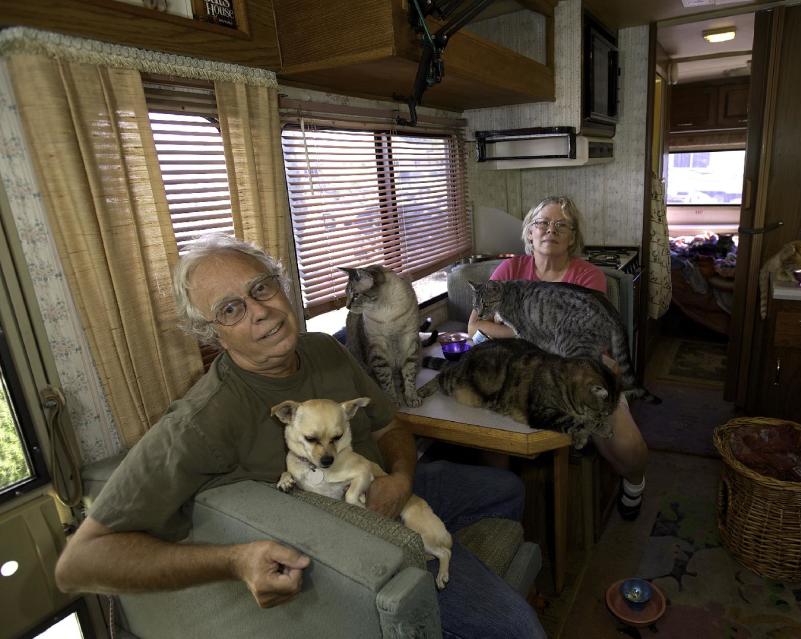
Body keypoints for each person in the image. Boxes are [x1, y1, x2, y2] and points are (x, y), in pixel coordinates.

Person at [55, 234, 545, 639]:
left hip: (388, 490)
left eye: (262, 288)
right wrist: (233, 562)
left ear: (284, 288)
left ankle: (450, 586)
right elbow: (79, 563)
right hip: (363, 543)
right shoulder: (202, 420)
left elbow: (390, 424)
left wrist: (400, 476)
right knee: (520, 629)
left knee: (507, 488)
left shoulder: (321, 349)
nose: (260, 311)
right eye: (230, 309)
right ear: (211, 334)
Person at [467, 195, 649, 521]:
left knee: (628, 445)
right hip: (522, 374)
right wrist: (530, 337)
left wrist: (520, 336)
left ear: (572, 237)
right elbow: (475, 326)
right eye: (542, 223)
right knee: (490, 434)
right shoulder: (510, 269)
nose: (550, 230)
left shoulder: (588, 277)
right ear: (530, 233)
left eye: (561, 225)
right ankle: (499, 517)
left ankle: (634, 483)